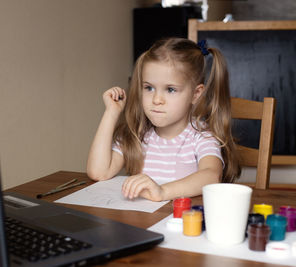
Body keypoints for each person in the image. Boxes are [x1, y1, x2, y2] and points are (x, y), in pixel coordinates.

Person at [87, 37, 241, 202]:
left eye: (170, 89)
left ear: (196, 94)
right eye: (149, 88)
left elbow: (211, 176)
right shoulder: (136, 134)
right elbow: (99, 172)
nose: (157, 99)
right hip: (140, 221)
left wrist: (161, 191)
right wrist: (111, 112)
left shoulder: (200, 136)